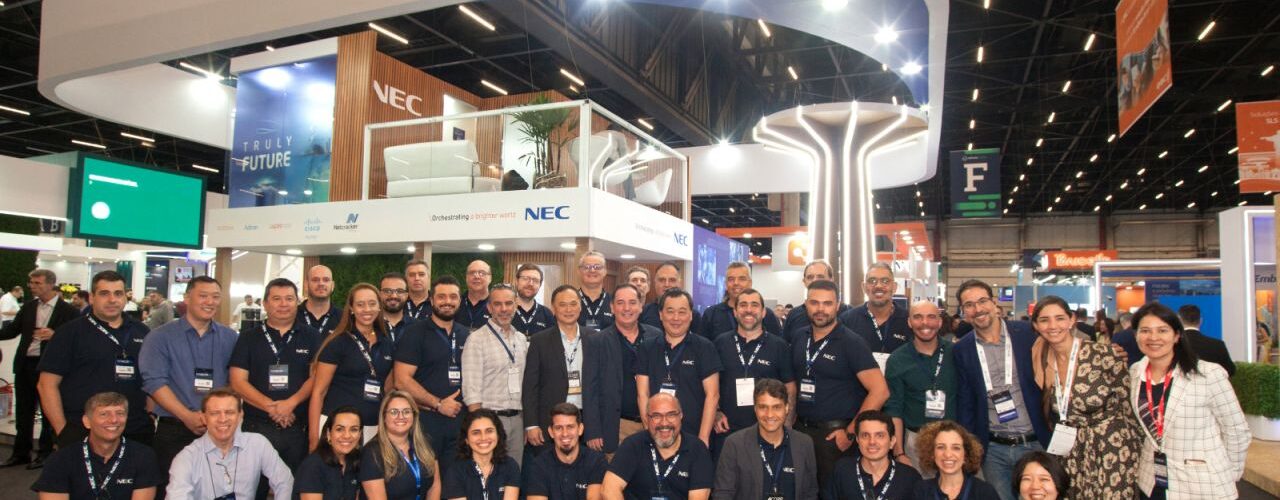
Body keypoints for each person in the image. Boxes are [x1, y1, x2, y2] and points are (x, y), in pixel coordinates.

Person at [1128, 302, 1250, 499]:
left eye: (1162, 330)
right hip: (1152, 482)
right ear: (1136, 335)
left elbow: (1237, 431)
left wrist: (1230, 474)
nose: (1153, 337)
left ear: (1177, 335)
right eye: (1145, 331)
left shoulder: (1208, 374)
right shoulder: (1135, 373)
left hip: (1202, 484)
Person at [1028, 296, 1139, 499]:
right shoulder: (1040, 360)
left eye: (1060, 318)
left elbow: (1129, 408)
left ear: (1072, 320)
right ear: (1036, 325)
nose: (1053, 326)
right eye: (1044, 320)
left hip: (1111, 450)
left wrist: (1135, 455)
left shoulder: (1104, 355)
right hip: (1071, 452)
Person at [139, 275, 238, 495]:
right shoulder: (160, 337)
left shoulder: (230, 338)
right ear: (186, 298)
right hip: (174, 430)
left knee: (219, 491)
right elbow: (154, 382)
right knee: (175, 492)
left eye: (215, 297)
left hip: (220, 430)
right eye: (203, 296)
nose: (209, 302)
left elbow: (235, 382)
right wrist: (187, 416)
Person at [951, 280, 1050, 500]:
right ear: (963, 311)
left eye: (982, 301)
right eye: (969, 305)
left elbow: (1061, 348)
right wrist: (969, 448)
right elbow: (966, 402)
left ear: (994, 303)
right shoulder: (962, 349)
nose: (977, 309)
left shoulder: (1027, 334)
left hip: (1035, 441)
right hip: (994, 450)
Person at [38, 271, 153, 450]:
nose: (112, 300)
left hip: (135, 430)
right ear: (92, 298)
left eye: (118, 293)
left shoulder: (142, 332)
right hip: (82, 430)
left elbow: (151, 380)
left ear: (125, 297)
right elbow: (46, 385)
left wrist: (151, 416)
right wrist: (63, 431)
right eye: (104, 293)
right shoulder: (69, 333)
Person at [790, 280, 887, 488]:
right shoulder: (799, 337)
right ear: (806, 304)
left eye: (827, 303)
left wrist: (851, 432)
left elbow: (880, 391)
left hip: (834, 436)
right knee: (801, 490)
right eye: (814, 303)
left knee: (833, 492)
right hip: (801, 432)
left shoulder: (852, 342)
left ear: (837, 305)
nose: (820, 309)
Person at [229, 277, 321, 479]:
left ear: (297, 302)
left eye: (289, 298)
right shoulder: (248, 337)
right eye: (277, 299)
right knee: (253, 488)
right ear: (265, 303)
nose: (283, 304)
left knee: (296, 486)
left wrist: (291, 403)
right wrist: (273, 408)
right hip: (257, 427)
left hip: (297, 427)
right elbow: (237, 381)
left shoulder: (312, 336)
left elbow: (317, 378)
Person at [524, 285, 616, 456]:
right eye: (563, 305)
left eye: (573, 304)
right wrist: (531, 424)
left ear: (580, 307)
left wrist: (597, 427)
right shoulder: (539, 341)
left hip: (587, 419)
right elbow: (530, 386)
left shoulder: (595, 339)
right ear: (553, 308)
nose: (568, 310)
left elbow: (603, 386)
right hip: (551, 420)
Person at [1, 268, 78, 468]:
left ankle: (45, 453)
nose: (32, 286)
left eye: (37, 283)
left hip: (51, 368)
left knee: (48, 412)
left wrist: (55, 335)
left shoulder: (69, 311)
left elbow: (77, 338)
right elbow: (11, 331)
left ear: (51, 284)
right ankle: (21, 453)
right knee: (23, 412)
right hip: (25, 364)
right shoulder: (28, 307)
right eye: (31, 283)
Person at [395, 275, 471, 473]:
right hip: (425, 421)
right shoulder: (414, 333)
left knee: (455, 479)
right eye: (441, 297)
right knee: (426, 478)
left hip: (460, 423)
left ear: (460, 300)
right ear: (431, 300)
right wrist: (438, 404)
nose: (447, 302)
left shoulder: (467, 335)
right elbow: (401, 380)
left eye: (453, 297)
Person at [31, 392, 162, 499]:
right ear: (87, 421)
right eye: (104, 414)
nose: (114, 419)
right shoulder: (61, 459)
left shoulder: (143, 456)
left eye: (120, 413)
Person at [712, 287, 795, 457]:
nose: (748, 310)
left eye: (754, 305)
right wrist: (716, 412)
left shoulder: (779, 346)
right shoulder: (720, 343)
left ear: (763, 312)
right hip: (726, 430)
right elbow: (711, 386)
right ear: (735, 312)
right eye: (743, 305)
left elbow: (790, 388)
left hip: (767, 429)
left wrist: (786, 425)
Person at [167, 388, 294, 498]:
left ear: (240, 415)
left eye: (229, 412)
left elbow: (285, 481)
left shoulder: (257, 444)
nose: (223, 419)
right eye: (215, 413)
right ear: (204, 418)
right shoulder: (186, 458)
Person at [310, 283, 394, 448]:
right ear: (351, 309)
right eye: (360, 304)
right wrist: (313, 439)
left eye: (372, 304)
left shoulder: (387, 343)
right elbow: (318, 392)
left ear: (379, 307)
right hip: (338, 428)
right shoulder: (338, 342)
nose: (367, 309)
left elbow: (388, 388)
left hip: (373, 426)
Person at [636, 288, 722, 447]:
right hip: (658, 434)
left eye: (682, 312)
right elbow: (642, 394)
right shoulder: (647, 348)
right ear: (661, 315)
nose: (676, 318)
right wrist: (650, 432)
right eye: (670, 311)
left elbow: (713, 395)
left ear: (691, 315)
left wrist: (703, 439)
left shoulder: (705, 347)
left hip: (694, 434)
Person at [712, 379, 818, 500]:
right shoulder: (735, 444)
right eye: (763, 407)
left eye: (776, 407)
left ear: (787, 408)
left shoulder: (804, 443)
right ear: (755, 409)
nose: (769, 415)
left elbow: (810, 493)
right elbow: (722, 494)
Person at [884, 300, 958, 469]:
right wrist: (899, 453)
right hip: (915, 441)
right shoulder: (897, 359)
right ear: (909, 322)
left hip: (953, 439)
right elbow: (894, 408)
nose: (925, 323)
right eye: (918, 317)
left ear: (939, 322)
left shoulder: (956, 353)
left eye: (931, 317)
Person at [461, 284, 528, 464]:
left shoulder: (521, 339)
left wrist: (525, 423)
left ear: (516, 305)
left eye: (508, 303)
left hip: (518, 420)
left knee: (514, 473)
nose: (504, 309)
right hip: (490, 420)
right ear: (489, 307)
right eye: (498, 304)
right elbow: (471, 389)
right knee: (488, 472)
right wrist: (479, 426)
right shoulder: (476, 339)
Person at [602, 393, 713, 499]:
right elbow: (609, 489)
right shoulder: (633, 445)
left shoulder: (697, 449)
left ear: (681, 416)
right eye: (656, 416)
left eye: (671, 415)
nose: (664, 423)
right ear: (647, 418)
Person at [601, 284, 660, 446]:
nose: (627, 308)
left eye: (632, 302)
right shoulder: (598, 341)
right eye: (620, 303)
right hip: (618, 426)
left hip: (656, 423)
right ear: (612, 307)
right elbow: (591, 389)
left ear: (641, 306)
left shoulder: (656, 336)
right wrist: (593, 431)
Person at [360, 391, 441, 500]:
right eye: (394, 412)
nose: (401, 416)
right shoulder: (372, 453)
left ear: (414, 415)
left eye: (406, 411)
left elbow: (435, 486)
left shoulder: (426, 444)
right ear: (384, 417)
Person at [824, 410, 922, 500]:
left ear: (892, 441)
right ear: (858, 440)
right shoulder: (841, 470)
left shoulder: (909, 477)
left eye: (880, 436)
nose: (872, 442)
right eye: (865, 435)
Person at [525, 403, 608, 500]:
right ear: (551, 432)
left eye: (570, 427)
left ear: (580, 429)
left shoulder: (596, 461)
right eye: (558, 428)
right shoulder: (539, 465)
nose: (565, 434)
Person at [838, 263, 912, 371]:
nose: (878, 286)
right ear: (864, 287)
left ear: (894, 287)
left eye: (885, 281)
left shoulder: (909, 321)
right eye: (872, 281)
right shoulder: (847, 321)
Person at [443, 409, 522, 499]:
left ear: (498, 435)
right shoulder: (456, 471)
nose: (483, 438)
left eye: (489, 431)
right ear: (466, 439)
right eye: (476, 433)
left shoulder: (510, 465)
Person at [912, 421, 1001, 500]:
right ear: (932, 454)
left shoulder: (984, 492)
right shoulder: (921, 491)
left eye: (956, 448)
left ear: (966, 454)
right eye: (941, 447)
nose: (948, 454)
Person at [700, 261, 781, 339]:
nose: (736, 283)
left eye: (742, 279)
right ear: (726, 284)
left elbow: (777, 344)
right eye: (731, 279)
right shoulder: (711, 314)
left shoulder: (766, 315)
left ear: (750, 283)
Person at [296, 406, 363, 500]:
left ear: (360, 434)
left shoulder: (356, 462)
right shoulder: (312, 466)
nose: (347, 435)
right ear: (328, 433)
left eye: (354, 429)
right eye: (339, 429)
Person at [781, 260, 851, 344]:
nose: (814, 280)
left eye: (820, 277)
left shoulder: (848, 314)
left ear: (831, 280)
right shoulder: (794, 314)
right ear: (804, 282)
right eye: (810, 277)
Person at [639, 262, 703, 333]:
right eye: (662, 280)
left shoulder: (693, 316)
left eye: (672, 280)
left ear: (679, 283)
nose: (667, 284)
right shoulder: (643, 312)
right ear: (655, 282)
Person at [1176, 304, 1236, 377]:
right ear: (1200, 321)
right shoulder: (1217, 345)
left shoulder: (1173, 345)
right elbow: (1230, 370)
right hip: (1211, 384)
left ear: (1179, 321)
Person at [512, 263, 555, 336]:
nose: (530, 284)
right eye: (525, 278)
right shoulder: (504, 310)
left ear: (540, 285)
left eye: (535, 280)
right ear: (516, 281)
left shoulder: (547, 314)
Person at [577, 252, 614, 330]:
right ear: (579, 271)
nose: (592, 270)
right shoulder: (570, 300)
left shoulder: (614, 301)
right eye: (587, 267)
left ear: (605, 271)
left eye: (597, 267)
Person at [301, 265, 341, 336]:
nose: (321, 284)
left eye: (326, 280)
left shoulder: (344, 319)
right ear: (306, 285)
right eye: (315, 280)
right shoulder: (291, 316)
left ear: (332, 285)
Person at [379, 272, 416, 345]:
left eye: (399, 291)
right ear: (379, 294)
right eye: (387, 291)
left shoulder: (418, 327)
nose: (393, 296)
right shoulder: (370, 325)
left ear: (406, 296)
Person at [457, 260, 493, 329]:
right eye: (472, 273)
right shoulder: (456, 302)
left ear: (490, 278)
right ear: (466, 277)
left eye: (482, 273)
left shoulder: (497, 305)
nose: (476, 276)